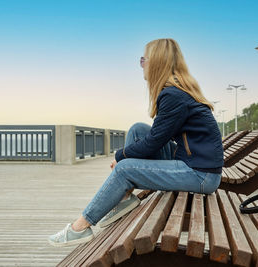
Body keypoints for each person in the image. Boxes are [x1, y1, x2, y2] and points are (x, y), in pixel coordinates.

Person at [48, 38, 224, 247]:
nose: (142, 65)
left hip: (200, 175)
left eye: (143, 60)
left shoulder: (173, 95)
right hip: (196, 165)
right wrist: (126, 155)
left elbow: (153, 142)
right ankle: (124, 198)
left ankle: (81, 227)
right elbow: (154, 137)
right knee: (138, 129)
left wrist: (120, 156)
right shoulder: (177, 91)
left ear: (157, 62)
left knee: (123, 169)